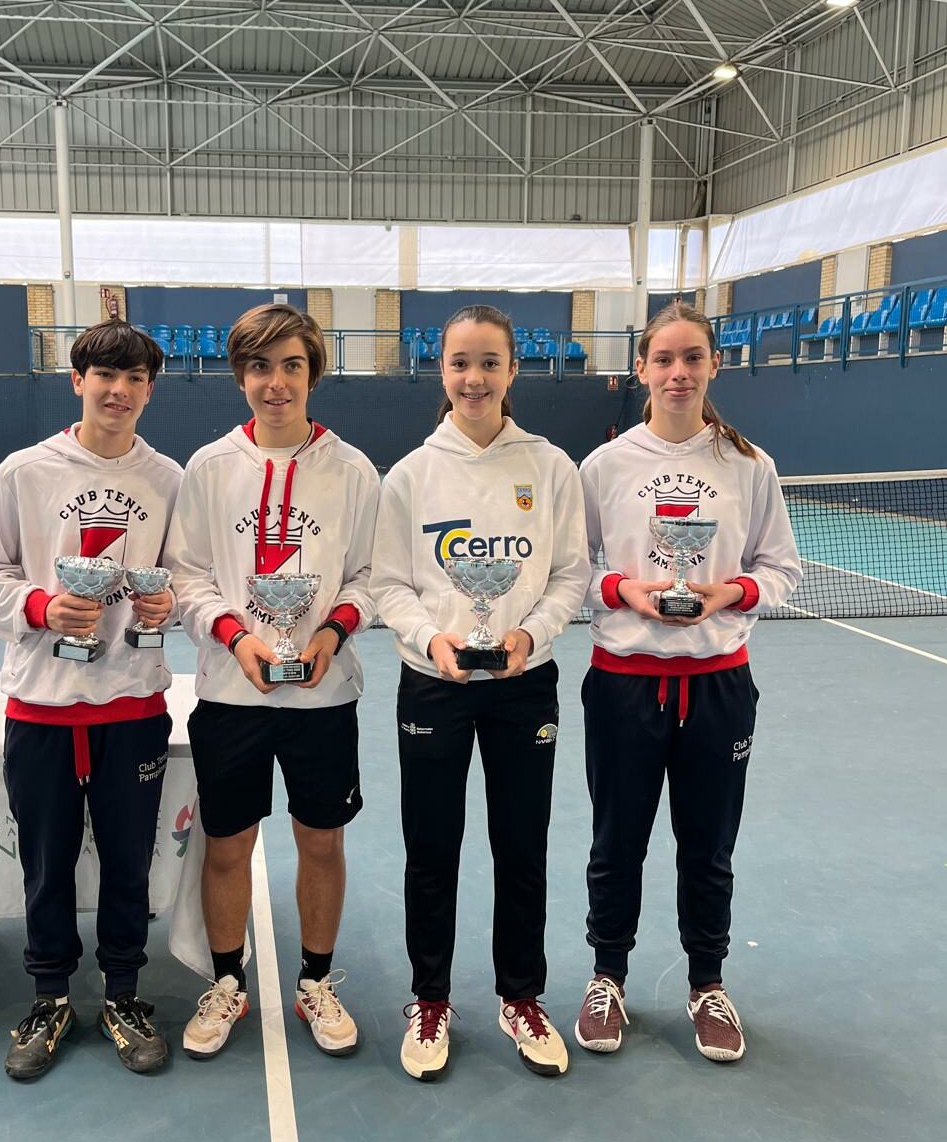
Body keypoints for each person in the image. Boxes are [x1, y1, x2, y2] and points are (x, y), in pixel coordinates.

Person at [574, 301, 801, 1063]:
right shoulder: (604, 466)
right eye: (664, 359)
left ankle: (707, 983)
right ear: (640, 369)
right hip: (623, 686)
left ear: (713, 365)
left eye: (692, 357)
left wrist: (730, 592)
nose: (678, 372)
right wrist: (625, 592)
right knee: (616, 843)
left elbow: (781, 569)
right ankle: (608, 976)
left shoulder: (749, 465)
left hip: (719, 689)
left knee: (708, 848)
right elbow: (573, 571)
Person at [370, 304, 589, 1081]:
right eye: (461, 363)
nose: (474, 378)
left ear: (512, 370)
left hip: (524, 686)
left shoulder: (551, 468)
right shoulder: (410, 475)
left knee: (521, 848)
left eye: (489, 362)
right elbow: (390, 584)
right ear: (441, 370)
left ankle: (520, 997)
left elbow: (570, 574)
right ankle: (429, 999)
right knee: (431, 851)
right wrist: (432, 640)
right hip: (433, 686)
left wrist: (529, 635)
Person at [0, 319, 181, 1080]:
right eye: (104, 376)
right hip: (41, 707)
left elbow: (184, 577)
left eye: (135, 379)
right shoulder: (23, 472)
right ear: (78, 380)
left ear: (150, 390)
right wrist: (40, 607)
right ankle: (49, 997)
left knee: (128, 864)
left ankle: (124, 995)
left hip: (133, 705)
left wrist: (167, 604)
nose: (119, 391)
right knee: (46, 863)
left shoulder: (168, 479)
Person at [163, 303, 379, 1061]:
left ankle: (316, 981)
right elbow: (187, 576)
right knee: (227, 847)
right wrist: (236, 637)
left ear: (313, 373)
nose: (276, 383)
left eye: (291, 366)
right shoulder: (208, 468)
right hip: (231, 697)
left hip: (324, 698)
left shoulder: (353, 471)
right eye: (260, 367)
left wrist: (330, 633)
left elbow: (370, 576)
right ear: (240, 377)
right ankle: (227, 982)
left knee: (321, 842)